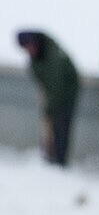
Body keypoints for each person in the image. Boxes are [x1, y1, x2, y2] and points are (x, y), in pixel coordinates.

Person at [16, 31, 80, 166]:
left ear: (35, 43)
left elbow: (56, 85)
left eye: (30, 46)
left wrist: (49, 108)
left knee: (61, 126)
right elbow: (41, 79)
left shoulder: (53, 56)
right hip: (51, 94)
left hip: (66, 94)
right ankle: (49, 156)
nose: (29, 50)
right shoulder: (36, 58)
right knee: (51, 125)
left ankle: (59, 162)